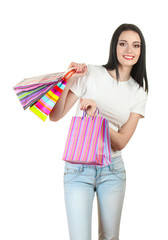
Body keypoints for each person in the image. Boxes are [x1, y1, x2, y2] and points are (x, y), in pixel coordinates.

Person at [49, 23, 148, 240]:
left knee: (110, 238)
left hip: (112, 171)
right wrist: (70, 79)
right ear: (114, 47)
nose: (129, 50)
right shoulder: (92, 73)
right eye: (123, 44)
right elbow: (54, 115)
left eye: (136, 45)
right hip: (78, 170)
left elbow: (121, 142)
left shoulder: (138, 92)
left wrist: (98, 118)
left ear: (141, 51)